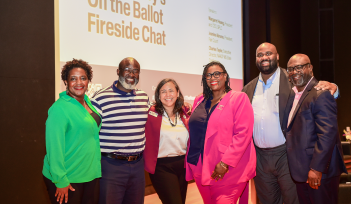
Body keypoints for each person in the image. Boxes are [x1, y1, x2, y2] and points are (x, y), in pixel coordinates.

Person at [242, 42, 339, 204]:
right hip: (260, 158)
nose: (264, 57)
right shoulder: (248, 89)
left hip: (287, 155)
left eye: (268, 53)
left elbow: (314, 92)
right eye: (260, 55)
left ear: (277, 56)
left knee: (293, 200)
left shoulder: (292, 79)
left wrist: (334, 87)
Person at [185, 61, 256, 204]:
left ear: (225, 76)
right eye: (208, 75)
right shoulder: (199, 99)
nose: (213, 78)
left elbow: (243, 134)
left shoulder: (239, 98)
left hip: (227, 169)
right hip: (200, 167)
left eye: (217, 74)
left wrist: (225, 163)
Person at [283, 54, 347, 204]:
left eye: (299, 67)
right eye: (291, 69)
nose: (294, 72)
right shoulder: (294, 95)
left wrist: (316, 169)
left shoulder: (321, 93)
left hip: (318, 172)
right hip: (302, 171)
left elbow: (327, 134)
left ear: (310, 68)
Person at [42, 59, 102, 204]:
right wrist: (60, 180)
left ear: (89, 81)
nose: (79, 83)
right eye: (73, 79)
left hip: (90, 174)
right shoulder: (59, 109)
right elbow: (54, 148)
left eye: (83, 78)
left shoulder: (87, 101)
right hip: (68, 177)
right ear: (66, 82)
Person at [91, 57, 148, 204]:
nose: (132, 74)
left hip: (137, 165)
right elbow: (90, 130)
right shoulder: (101, 97)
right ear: (118, 71)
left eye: (136, 71)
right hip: (111, 166)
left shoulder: (144, 97)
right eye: (127, 70)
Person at [144, 78, 190, 204]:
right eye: (163, 91)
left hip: (183, 165)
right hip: (161, 167)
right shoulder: (150, 113)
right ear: (158, 95)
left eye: (171, 90)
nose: (168, 94)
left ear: (178, 93)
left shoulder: (185, 112)